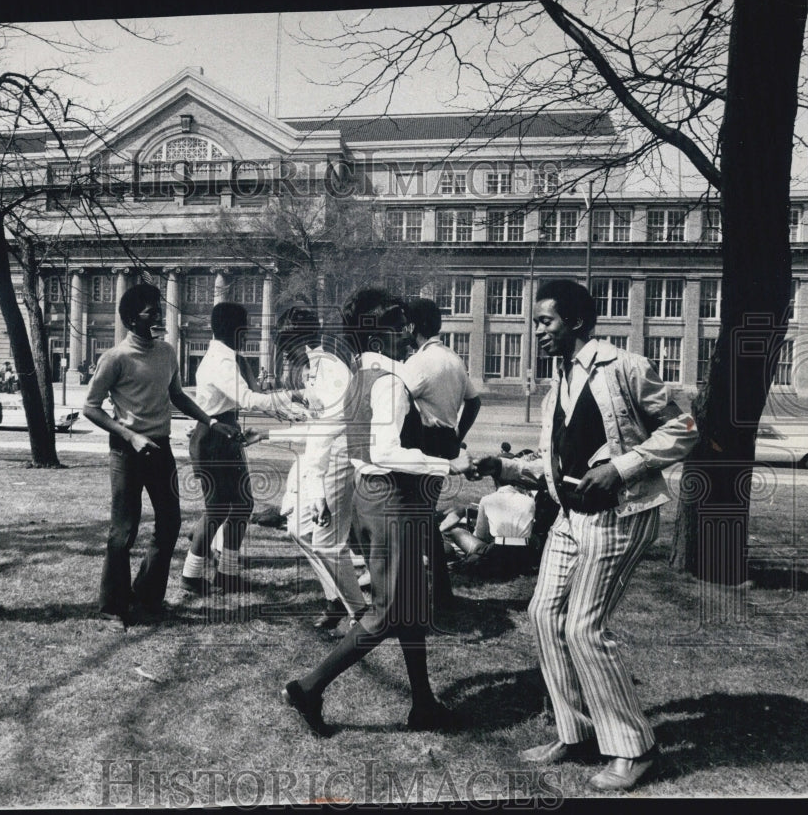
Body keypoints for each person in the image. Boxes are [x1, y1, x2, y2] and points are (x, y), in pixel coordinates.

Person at [474, 279, 698, 791]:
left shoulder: (625, 366)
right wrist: (503, 467)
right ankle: (574, 732)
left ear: (574, 321)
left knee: (583, 628)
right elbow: (559, 467)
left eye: (544, 322)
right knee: (542, 614)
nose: (537, 332)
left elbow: (684, 429)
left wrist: (621, 467)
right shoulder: (559, 381)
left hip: (621, 515)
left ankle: (635, 749)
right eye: (534, 322)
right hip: (570, 519)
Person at [282, 288, 476, 736]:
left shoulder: (357, 377)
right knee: (390, 611)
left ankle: (424, 703)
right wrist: (448, 462)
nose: (408, 332)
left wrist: (316, 485)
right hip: (391, 498)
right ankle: (308, 688)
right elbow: (387, 450)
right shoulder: (390, 381)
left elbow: (326, 431)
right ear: (381, 333)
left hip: (371, 496)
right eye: (398, 324)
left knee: (409, 607)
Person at [83, 283, 241, 628]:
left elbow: (178, 396)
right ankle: (113, 608)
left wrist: (211, 421)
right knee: (123, 531)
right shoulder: (115, 358)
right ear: (129, 319)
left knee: (169, 524)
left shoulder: (167, 352)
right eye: (149, 311)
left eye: (158, 309)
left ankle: (148, 598)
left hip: (161, 449)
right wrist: (129, 435)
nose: (157, 316)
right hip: (127, 451)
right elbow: (90, 408)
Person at [179, 302, 309, 595]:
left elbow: (257, 396)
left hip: (225, 435)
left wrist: (291, 408)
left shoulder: (232, 358)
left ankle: (227, 573)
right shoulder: (221, 362)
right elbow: (249, 398)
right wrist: (296, 395)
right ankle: (192, 573)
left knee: (241, 505)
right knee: (217, 509)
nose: (248, 332)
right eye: (245, 326)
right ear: (233, 329)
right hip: (213, 438)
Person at [274, 305, 366, 636]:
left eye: (287, 345)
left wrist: (317, 493)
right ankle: (336, 598)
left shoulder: (329, 368)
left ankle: (361, 617)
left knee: (329, 542)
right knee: (299, 529)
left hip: (337, 459)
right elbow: (315, 428)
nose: (285, 353)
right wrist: (267, 433)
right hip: (320, 458)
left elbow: (327, 433)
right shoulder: (313, 367)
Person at [401, 297, 481, 611]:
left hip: (424, 443)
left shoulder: (418, 363)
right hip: (445, 440)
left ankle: (430, 594)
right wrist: (457, 437)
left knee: (414, 517)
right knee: (424, 518)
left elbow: (396, 397)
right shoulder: (453, 358)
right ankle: (438, 593)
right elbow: (474, 402)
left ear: (414, 326)